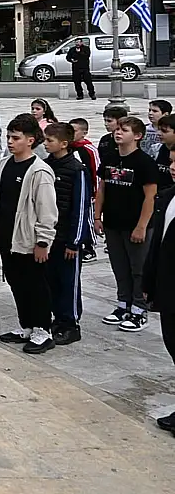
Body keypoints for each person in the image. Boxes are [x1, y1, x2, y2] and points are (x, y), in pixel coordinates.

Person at [0, 114, 59, 354]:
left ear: (31, 140)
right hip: (8, 238)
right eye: (9, 137)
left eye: (16, 138)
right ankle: (27, 325)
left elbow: (47, 210)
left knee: (35, 285)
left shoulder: (40, 172)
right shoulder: (5, 164)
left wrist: (43, 241)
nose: (10, 142)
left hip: (30, 241)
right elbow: (0, 199)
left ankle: (43, 329)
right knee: (16, 282)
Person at [96, 116, 159, 333]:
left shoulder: (144, 163)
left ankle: (140, 308)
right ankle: (123, 304)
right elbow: (102, 189)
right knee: (119, 267)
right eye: (118, 129)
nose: (118, 133)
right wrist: (97, 217)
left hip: (136, 224)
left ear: (138, 136)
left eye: (125, 130)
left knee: (138, 269)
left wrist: (142, 226)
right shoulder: (110, 158)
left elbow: (150, 197)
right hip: (113, 223)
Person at [43, 123, 88, 346]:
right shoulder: (45, 165)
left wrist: (75, 241)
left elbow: (80, 208)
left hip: (68, 239)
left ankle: (71, 324)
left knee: (69, 281)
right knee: (51, 279)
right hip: (50, 236)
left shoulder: (77, 170)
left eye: (50, 141)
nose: (46, 144)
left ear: (64, 143)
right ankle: (57, 318)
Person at [142, 159, 175, 434]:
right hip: (168, 287)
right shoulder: (168, 197)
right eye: (173, 161)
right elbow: (159, 244)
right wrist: (150, 281)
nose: (173, 166)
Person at [70, 118, 101, 263]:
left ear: (84, 133)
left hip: (89, 192)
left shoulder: (89, 150)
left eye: (75, 131)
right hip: (73, 191)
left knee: (87, 219)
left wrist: (96, 192)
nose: (71, 133)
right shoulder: (69, 148)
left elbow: (97, 172)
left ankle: (89, 247)